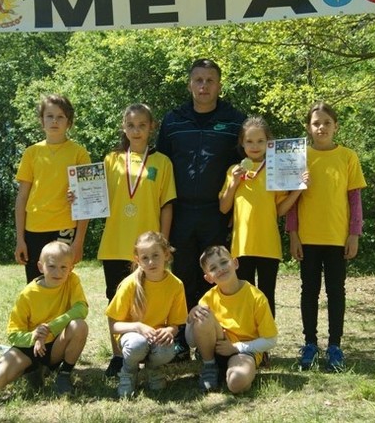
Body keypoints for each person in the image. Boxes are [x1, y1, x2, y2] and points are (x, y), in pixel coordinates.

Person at [157, 58, 246, 360]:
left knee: (218, 275)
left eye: (210, 80)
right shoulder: (173, 120)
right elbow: (160, 166)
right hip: (180, 211)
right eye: (198, 80)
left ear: (219, 85)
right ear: (189, 84)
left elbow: (249, 162)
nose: (204, 86)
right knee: (183, 277)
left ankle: (220, 338)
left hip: (216, 212)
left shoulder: (235, 120)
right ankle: (182, 339)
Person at [286, 101, 367, 372]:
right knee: (308, 292)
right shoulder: (299, 156)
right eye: (316, 123)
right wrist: (293, 235)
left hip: (336, 238)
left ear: (336, 126)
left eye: (326, 123)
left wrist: (354, 233)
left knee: (336, 292)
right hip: (307, 239)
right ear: (308, 128)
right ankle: (310, 344)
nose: (321, 127)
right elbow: (292, 202)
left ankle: (335, 346)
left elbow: (354, 199)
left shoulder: (348, 157)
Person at [98, 103, 177, 377]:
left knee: (149, 300)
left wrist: (163, 242)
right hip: (115, 243)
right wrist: (79, 199)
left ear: (151, 127)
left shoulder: (162, 162)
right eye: (131, 125)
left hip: (150, 249)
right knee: (116, 300)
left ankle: (149, 352)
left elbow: (167, 204)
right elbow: (96, 197)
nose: (136, 130)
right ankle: (119, 355)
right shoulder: (111, 160)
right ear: (124, 127)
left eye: (142, 125)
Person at [219, 116, 307, 318]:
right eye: (249, 141)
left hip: (268, 246)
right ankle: (247, 344)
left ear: (269, 143)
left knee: (267, 296)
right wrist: (233, 183)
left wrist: (298, 189)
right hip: (241, 247)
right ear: (242, 143)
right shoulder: (234, 171)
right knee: (244, 296)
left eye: (260, 141)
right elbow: (224, 208)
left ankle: (265, 346)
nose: (255, 146)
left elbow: (280, 210)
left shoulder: (276, 169)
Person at [0, 241, 89, 396]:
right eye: (52, 266)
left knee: (79, 326)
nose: (58, 272)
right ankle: (33, 370)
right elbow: (13, 334)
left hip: (56, 343)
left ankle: (64, 375)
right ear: (41, 267)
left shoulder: (72, 280)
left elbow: (81, 309)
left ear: (71, 268)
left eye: (64, 267)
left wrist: (49, 328)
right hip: (30, 347)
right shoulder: (28, 294)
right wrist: (34, 336)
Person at [14, 94, 91, 283]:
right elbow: (22, 197)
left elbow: (87, 201)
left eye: (60, 116)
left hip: (65, 228)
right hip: (34, 228)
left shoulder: (79, 154)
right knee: (35, 285)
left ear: (69, 122)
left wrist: (78, 242)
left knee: (61, 283)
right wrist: (20, 239)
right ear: (42, 121)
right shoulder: (31, 153)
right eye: (49, 116)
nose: (54, 121)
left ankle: (61, 315)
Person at [105, 231, 187, 398]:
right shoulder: (130, 284)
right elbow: (114, 326)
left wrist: (170, 332)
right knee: (137, 344)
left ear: (166, 254)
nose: (151, 262)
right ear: (137, 260)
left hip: (155, 337)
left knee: (168, 350)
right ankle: (128, 372)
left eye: (156, 255)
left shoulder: (176, 285)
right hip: (131, 337)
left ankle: (153, 368)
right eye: (145, 258)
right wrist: (137, 326)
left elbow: (176, 324)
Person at [187, 245, 278, 394]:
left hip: (242, 352)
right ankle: (209, 367)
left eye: (224, 262)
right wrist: (191, 318)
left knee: (237, 382)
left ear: (235, 263)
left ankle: (235, 373)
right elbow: (191, 341)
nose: (221, 269)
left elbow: (271, 340)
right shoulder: (208, 298)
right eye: (213, 268)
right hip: (213, 349)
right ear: (208, 278)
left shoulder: (256, 297)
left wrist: (237, 348)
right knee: (203, 315)